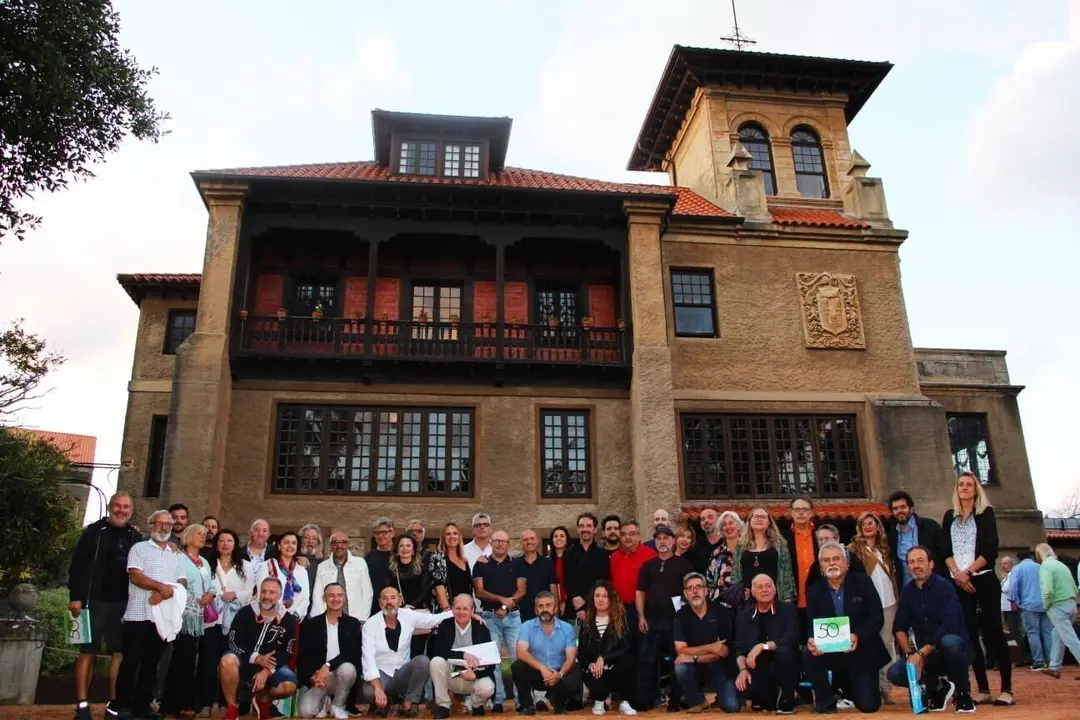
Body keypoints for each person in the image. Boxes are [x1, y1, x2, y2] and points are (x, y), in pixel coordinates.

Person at [68, 491, 142, 720]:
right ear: (110, 507)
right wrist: (75, 597)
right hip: (90, 603)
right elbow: (78, 565)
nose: (122, 510)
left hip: (122, 604)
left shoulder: (135, 537)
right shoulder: (93, 531)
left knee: (118, 654)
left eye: (126, 507)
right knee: (86, 653)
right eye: (117, 506)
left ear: (131, 510)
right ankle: (81, 705)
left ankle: (113, 706)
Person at [943, 472, 1013, 705]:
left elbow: (990, 549)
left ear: (976, 490)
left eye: (969, 485)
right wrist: (957, 574)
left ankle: (1007, 690)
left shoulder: (985, 514)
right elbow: (945, 551)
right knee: (969, 636)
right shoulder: (949, 517)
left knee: (994, 632)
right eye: (961, 484)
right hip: (959, 583)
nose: (964, 488)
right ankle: (983, 688)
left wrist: (968, 572)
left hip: (982, 579)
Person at [114, 510, 188, 720]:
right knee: (131, 664)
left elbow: (182, 582)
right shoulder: (139, 548)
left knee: (150, 665)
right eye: (160, 523)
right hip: (138, 615)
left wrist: (167, 592)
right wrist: (159, 588)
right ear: (151, 525)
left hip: (161, 619)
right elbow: (136, 576)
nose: (164, 527)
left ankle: (141, 707)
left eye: (168, 524)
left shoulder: (176, 554)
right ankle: (122, 707)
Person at [886, 545, 975, 713]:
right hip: (926, 656)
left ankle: (963, 694)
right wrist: (910, 655)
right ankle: (939, 688)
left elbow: (948, 625)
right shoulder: (907, 591)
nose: (916, 565)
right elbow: (899, 627)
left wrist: (921, 653)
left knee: (949, 642)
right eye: (911, 562)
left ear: (931, 564)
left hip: (955, 650)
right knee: (895, 672)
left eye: (920, 561)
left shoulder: (944, 587)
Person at [803, 542, 888, 713]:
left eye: (836, 558)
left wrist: (857, 636)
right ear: (821, 565)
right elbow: (812, 622)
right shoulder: (814, 590)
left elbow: (877, 617)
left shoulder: (863, 582)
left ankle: (849, 689)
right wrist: (812, 639)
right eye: (826, 560)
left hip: (860, 649)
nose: (831, 563)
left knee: (868, 706)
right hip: (830, 651)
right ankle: (826, 701)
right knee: (807, 653)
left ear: (846, 562)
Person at [361, 586, 452, 718]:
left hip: (403, 674)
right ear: (380, 603)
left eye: (393, 598)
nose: (389, 602)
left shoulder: (408, 615)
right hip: (382, 675)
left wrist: (464, 613)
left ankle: (409, 702)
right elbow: (367, 658)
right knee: (369, 692)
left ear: (400, 600)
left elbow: (435, 619)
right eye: (385, 599)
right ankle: (385, 702)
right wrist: (378, 688)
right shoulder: (370, 625)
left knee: (423, 661)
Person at [219, 577, 299, 720]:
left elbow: (287, 651)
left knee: (289, 685)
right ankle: (232, 708)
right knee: (227, 661)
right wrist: (256, 658)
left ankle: (262, 700)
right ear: (259, 593)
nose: (267, 596)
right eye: (264, 592)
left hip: (270, 666)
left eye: (272, 593)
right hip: (243, 661)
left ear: (279, 596)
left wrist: (267, 670)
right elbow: (232, 641)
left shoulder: (288, 620)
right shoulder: (246, 612)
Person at [162, 524, 219, 719]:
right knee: (181, 660)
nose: (203, 537)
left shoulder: (204, 561)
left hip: (198, 619)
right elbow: (172, 581)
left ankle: (179, 703)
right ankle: (174, 704)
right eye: (199, 533)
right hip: (180, 615)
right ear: (188, 536)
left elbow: (212, 585)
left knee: (189, 661)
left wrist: (210, 595)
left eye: (205, 534)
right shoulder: (178, 557)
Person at [636, 526, 695, 711]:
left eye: (666, 538)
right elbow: (639, 592)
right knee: (647, 660)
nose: (662, 541)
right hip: (652, 619)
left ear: (673, 541)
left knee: (676, 660)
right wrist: (641, 616)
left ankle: (676, 699)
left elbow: (691, 590)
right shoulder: (648, 565)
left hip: (676, 621)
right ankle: (646, 699)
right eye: (659, 538)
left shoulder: (683, 564)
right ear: (655, 542)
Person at [198, 529, 252, 718]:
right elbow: (202, 587)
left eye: (229, 540)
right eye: (222, 540)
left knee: (228, 663)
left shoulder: (245, 566)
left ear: (235, 544)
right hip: (212, 621)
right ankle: (205, 703)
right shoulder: (207, 564)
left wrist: (235, 595)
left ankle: (224, 703)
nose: (225, 544)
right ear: (216, 544)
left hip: (235, 623)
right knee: (208, 661)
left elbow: (251, 592)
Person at [847, 511, 899, 703]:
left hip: (889, 602)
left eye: (871, 523)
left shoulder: (885, 549)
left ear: (878, 526)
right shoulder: (852, 550)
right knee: (867, 645)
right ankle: (869, 687)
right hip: (866, 606)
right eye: (864, 524)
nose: (868, 526)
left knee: (886, 645)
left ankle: (885, 687)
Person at [473, 530, 525, 711]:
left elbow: (522, 590)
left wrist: (505, 607)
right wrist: (501, 600)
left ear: (508, 543)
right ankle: (498, 700)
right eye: (496, 541)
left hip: (513, 616)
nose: (500, 544)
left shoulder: (517, 564)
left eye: (503, 541)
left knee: (518, 658)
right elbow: (479, 592)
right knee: (493, 659)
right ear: (491, 542)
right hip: (489, 616)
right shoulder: (481, 565)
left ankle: (521, 700)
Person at [672, 572, 739, 714]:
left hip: (720, 665)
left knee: (731, 706)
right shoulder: (680, 616)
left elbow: (723, 652)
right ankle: (697, 701)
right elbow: (680, 650)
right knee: (680, 667)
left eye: (698, 587)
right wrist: (710, 647)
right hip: (695, 667)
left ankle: (723, 696)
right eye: (690, 588)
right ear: (685, 593)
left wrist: (693, 656)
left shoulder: (721, 612)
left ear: (706, 590)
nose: (695, 591)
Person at [734, 574, 799, 714]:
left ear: (775, 590)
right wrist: (742, 670)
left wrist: (762, 646)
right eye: (760, 587)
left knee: (783, 651)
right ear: (752, 592)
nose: (765, 590)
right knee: (749, 692)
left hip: (784, 663)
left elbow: (791, 637)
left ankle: (788, 695)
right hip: (757, 665)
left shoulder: (787, 610)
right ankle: (772, 696)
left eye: (768, 586)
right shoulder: (744, 615)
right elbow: (739, 647)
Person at [299, 583, 363, 719]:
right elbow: (303, 657)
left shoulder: (353, 624)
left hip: (340, 677)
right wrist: (312, 678)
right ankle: (323, 702)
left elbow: (352, 653)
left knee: (348, 668)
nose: (336, 599)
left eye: (339, 595)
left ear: (344, 598)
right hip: (319, 678)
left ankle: (338, 705)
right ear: (324, 598)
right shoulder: (310, 625)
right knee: (306, 712)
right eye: (331, 595)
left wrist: (328, 666)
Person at [511, 592, 583, 715]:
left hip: (559, 673)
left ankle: (559, 703)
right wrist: (542, 668)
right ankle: (527, 706)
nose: (545, 609)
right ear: (535, 610)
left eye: (548, 605)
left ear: (555, 608)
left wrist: (559, 674)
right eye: (541, 606)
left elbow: (571, 657)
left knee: (575, 668)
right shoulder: (526, 627)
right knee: (517, 666)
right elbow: (521, 652)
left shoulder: (567, 628)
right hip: (538, 673)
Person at [429, 594, 497, 718]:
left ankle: (476, 705)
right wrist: (463, 655)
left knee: (488, 687)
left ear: (472, 610)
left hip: (473, 677)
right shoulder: (445, 625)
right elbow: (438, 651)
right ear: (453, 609)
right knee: (436, 661)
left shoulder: (481, 628)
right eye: (458, 608)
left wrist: (475, 675)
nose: (461, 612)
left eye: (465, 609)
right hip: (451, 676)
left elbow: (490, 663)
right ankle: (443, 705)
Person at [578, 581, 636, 716]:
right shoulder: (587, 623)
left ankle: (624, 701)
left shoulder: (621, 621)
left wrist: (604, 658)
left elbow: (627, 647)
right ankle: (599, 701)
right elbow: (581, 653)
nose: (600, 599)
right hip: (596, 671)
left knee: (627, 662)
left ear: (611, 599)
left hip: (616, 668)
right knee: (596, 675)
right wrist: (591, 664)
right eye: (597, 596)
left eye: (605, 596)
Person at [1035, 543, 1080, 680]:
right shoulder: (1061, 565)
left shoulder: (1045, 566)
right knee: (1058, 635)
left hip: (1057, 605)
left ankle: (1054, 666)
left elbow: (1047, 589)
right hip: (1071, 603)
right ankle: (1054, 666)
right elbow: (1073, 585)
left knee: (1069, 638)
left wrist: (1046, 605)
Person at [731, 508, 795, 603]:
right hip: (748, 599)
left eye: (763, 517)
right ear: (749, 521)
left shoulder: (780, 545)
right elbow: (735, 573)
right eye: (756, 516)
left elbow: (787, 573)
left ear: (769, 522)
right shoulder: (740, 546)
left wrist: (787, 598)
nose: (759, 519)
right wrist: (739, 592)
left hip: (775, 597)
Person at [886, 491, 947, 586]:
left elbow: (945, 554)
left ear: (911, 508)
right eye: (895, 508)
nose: (899, 511)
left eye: (903, 507)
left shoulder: (930, 526)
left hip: (933, 587)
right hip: (907, 590)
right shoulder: (891, 535)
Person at [312, 531, 373, 623]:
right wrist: (320, 619)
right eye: (335, 542)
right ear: (330, 546)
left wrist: (363, 618)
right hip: (329, 619)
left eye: (343, 542)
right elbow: (317, 595)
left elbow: (367, 593)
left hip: (355, 618)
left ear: (348, 544)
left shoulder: (360, 564)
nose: (339, 546)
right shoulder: (322, 567)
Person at [1008, 551, 1051, 671]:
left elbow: (1013, 586)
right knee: (1047, 632)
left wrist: (1013, 601)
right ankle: (1051, 661)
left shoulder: (1018, 568)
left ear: (1018, 558)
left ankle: (1038, 662)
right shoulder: (1040, 567)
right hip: (1044, 603)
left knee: (1033, 633)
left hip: (1028, 604)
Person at [609, 521, 655, 634]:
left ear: (639, 536)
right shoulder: (614, 557)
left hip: (645, 609)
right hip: (621, 609)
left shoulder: (651, 554)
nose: (627, 537)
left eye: (632, 533)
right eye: (623, 534)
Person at [780, 495, 817, 636]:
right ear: (791, 512)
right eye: (797, 509)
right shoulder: (782, 539)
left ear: (811, 513)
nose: (801, 513)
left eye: (805, 509)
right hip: (792, 600)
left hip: (819, 599)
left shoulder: (821, 535)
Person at [256, 530, 311, 620]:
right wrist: (273, 614)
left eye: (293, 543)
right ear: (279, 546)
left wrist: (295, 615)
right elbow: (260, 593)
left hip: (293, 620)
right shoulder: (267, 566)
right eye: (286, 542)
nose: (290, 546)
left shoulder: (302, 571)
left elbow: (305, 598)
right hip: (270, 617)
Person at [564, 513, 610, 621]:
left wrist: (587, 604)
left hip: (596, 606)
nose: (585, 529)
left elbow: (602, 580)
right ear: (578, 529)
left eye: (589, 526)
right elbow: (568, 579)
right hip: (573, 607)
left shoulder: (603, 554)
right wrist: (577, 601)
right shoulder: (568, 553)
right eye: (582, 526)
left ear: (594, 530)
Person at [428, 523, 473, 613]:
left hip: (465, 610)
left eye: (455, 533)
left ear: (459, 537)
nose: (452, 536)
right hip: (448, 610)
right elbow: (438, 585)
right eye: (448, 534)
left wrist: (471, 608)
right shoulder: (438, 557)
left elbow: (468, 588)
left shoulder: (464, 561)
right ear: (443, 538)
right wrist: (447, 610)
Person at [517, 530, 558, 622]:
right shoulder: (515, 563)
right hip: (521, 615)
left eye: (532, 539)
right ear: (521, 543)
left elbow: (553, 588)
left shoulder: (548, 563)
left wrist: (556, 611)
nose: (529, 542)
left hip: (544, 613)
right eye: (525, 539)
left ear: (537, 541)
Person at [998, 555, 1031, 668]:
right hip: (1005, 608)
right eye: (1002, 563)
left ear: (1012, 565)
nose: (1003, 566)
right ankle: (1022, 656)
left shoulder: (1013, 575)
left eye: (1006, 563)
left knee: (1016, 632)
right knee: (1012, 633)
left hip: (1012, 608)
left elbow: (1008, 589)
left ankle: (1025, 656)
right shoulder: (1005, 577)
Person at [704, 511, 742, 603]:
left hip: (745, 604)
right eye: (724, 525)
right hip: (721, 605)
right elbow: (710, 580)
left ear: (739, 526)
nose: (728, 527)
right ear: (721, 530)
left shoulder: (749, 550)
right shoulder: (716, 553)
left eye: (731, 523)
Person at [366, 517, 395, 615]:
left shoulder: (399, 555)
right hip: (374, 608)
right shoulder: (369, 557)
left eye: (384, 532)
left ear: (392, 533)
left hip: (396, 607)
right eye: (377, 533)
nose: (380, 536)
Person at [548, 527, 570, 617]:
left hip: (569, 605)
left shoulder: (573, 559)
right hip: (551, 606)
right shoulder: (548, 561)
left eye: (562, 536)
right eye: (556, 536)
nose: (559, 538)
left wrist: (565, 602)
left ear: (567, 540)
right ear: (552, 540)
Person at [299, 523, 326, 588]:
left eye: (314, 538)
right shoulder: (293, 559)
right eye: (306, 537)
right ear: (300, 540)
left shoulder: (322, 563)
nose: (310, 541)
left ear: (318, 543)